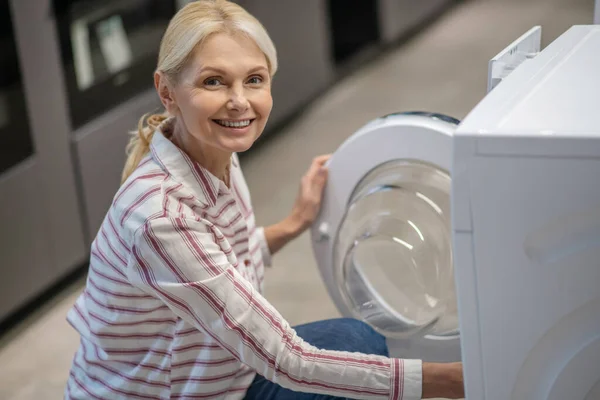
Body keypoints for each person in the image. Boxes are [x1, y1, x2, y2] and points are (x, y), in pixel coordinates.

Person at [64, 1, 464, 399]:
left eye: (254, 80)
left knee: (359, 338)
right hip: (167, 393)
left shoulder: (213, 153)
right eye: (214, 82)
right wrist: (452, 381)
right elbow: (289, 362)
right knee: (367, 369)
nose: (239, 102)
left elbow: (219, 264)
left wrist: (294, 222)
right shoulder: (160, 217)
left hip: (220, 375)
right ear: (167, 92)